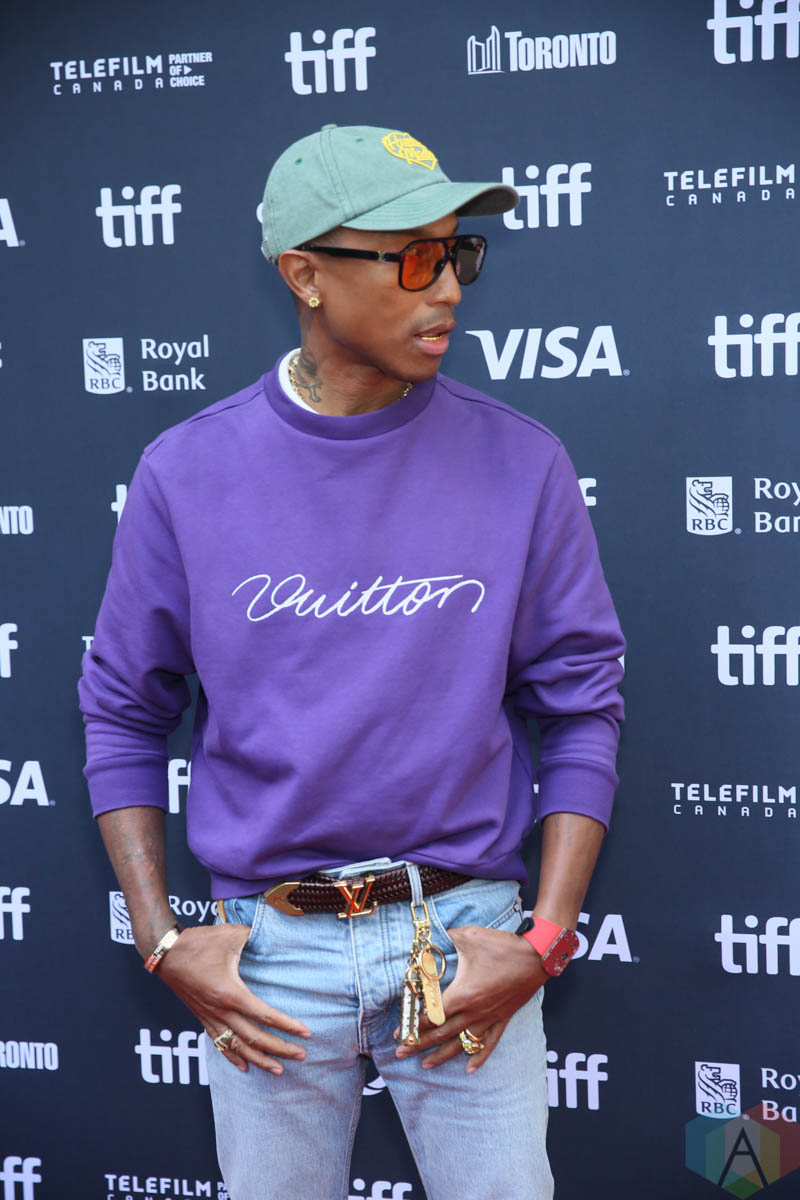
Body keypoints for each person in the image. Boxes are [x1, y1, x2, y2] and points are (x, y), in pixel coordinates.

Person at [78, 123, 625, 1200]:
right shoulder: (187, 471)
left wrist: (543, 940)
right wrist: (162, 937)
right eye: (412, 258)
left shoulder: (523, 462)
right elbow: (123, 713)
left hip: (466, 943)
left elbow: (580, 709)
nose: (448, 288)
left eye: (455, 253)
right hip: (268, 960)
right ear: (305, 276)